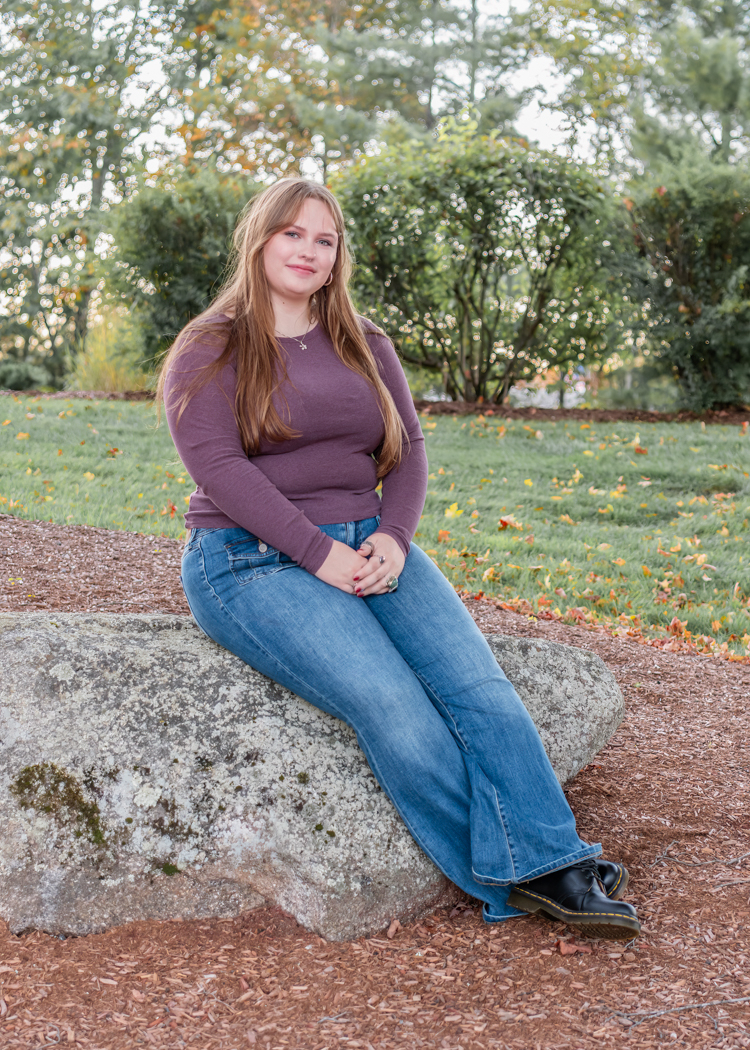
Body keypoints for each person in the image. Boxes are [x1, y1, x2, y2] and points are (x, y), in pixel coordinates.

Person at [159, 177, 640, 941]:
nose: (309, 251)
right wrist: (318, 553)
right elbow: (219, 469)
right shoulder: (211, 345)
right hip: (250, 560)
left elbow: (408, 447)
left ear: (338, 255)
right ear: (260, 240)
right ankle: (527, 873)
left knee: (481, 691)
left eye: (325, 239)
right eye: (293, 234)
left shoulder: (362, 339)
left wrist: (393, 537)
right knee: (393, 706)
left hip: (372, 543)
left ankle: (549, 862)